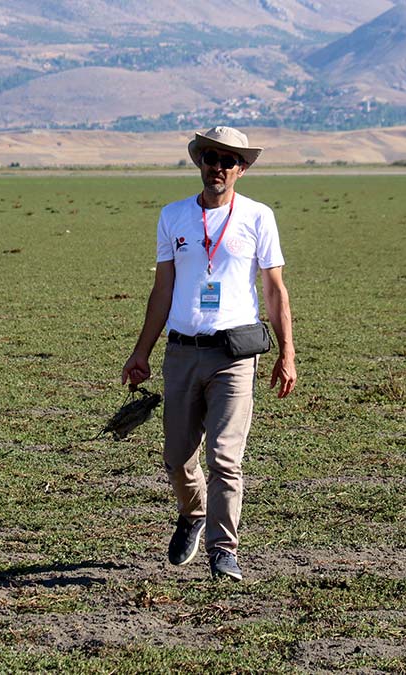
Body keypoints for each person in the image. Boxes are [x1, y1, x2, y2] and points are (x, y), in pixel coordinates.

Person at [121, 126, 296, 581]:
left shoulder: (258, 217)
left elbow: (274, 290)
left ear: (242, 169)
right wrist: (141, 353)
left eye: (228, 160)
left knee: (224, 457)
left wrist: (288, 353)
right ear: (199, 161)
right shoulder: (173, 216)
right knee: (178, 458)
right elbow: (162, 289)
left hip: (234, 354)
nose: (218, 166)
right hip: (181, 352)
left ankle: (224, 551)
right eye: (211, 157)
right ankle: (192, 513)